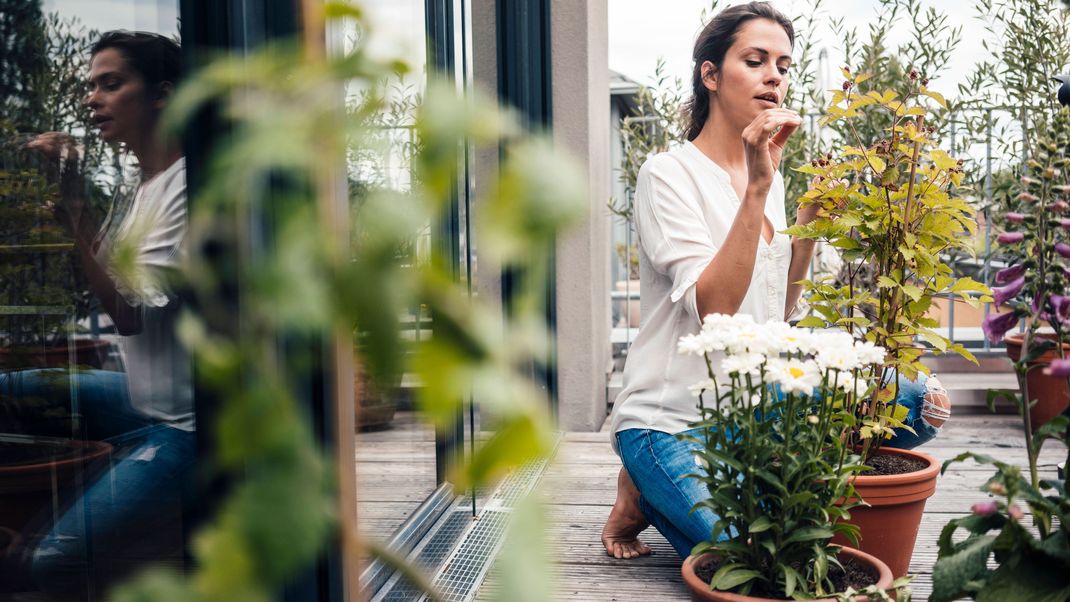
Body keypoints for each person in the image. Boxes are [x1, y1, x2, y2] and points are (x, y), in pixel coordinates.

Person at [599, 2, 951, 561]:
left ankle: (750, 476)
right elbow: (715, 308)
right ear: (710, 75)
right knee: (748, 555)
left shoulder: (770, 173)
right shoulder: (667, 175)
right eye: (755, 60)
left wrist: (805, 229)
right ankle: (643, 484)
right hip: (674, 417)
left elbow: (776, 313)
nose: (774, 77)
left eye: (784, 66)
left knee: (923, 401)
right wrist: (758, 188)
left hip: (757, 406)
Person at [4, 30, 193, 596]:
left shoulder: (188, 188)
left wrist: (77, 208)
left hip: (185, 425)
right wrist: (69, 193)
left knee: (53, 562)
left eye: (111, 84)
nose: (91, 99)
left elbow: (129, 314)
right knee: (12, 385)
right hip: (139, 397)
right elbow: (103, 279)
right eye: (91, 86)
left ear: (161, 94)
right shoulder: (143, 186)